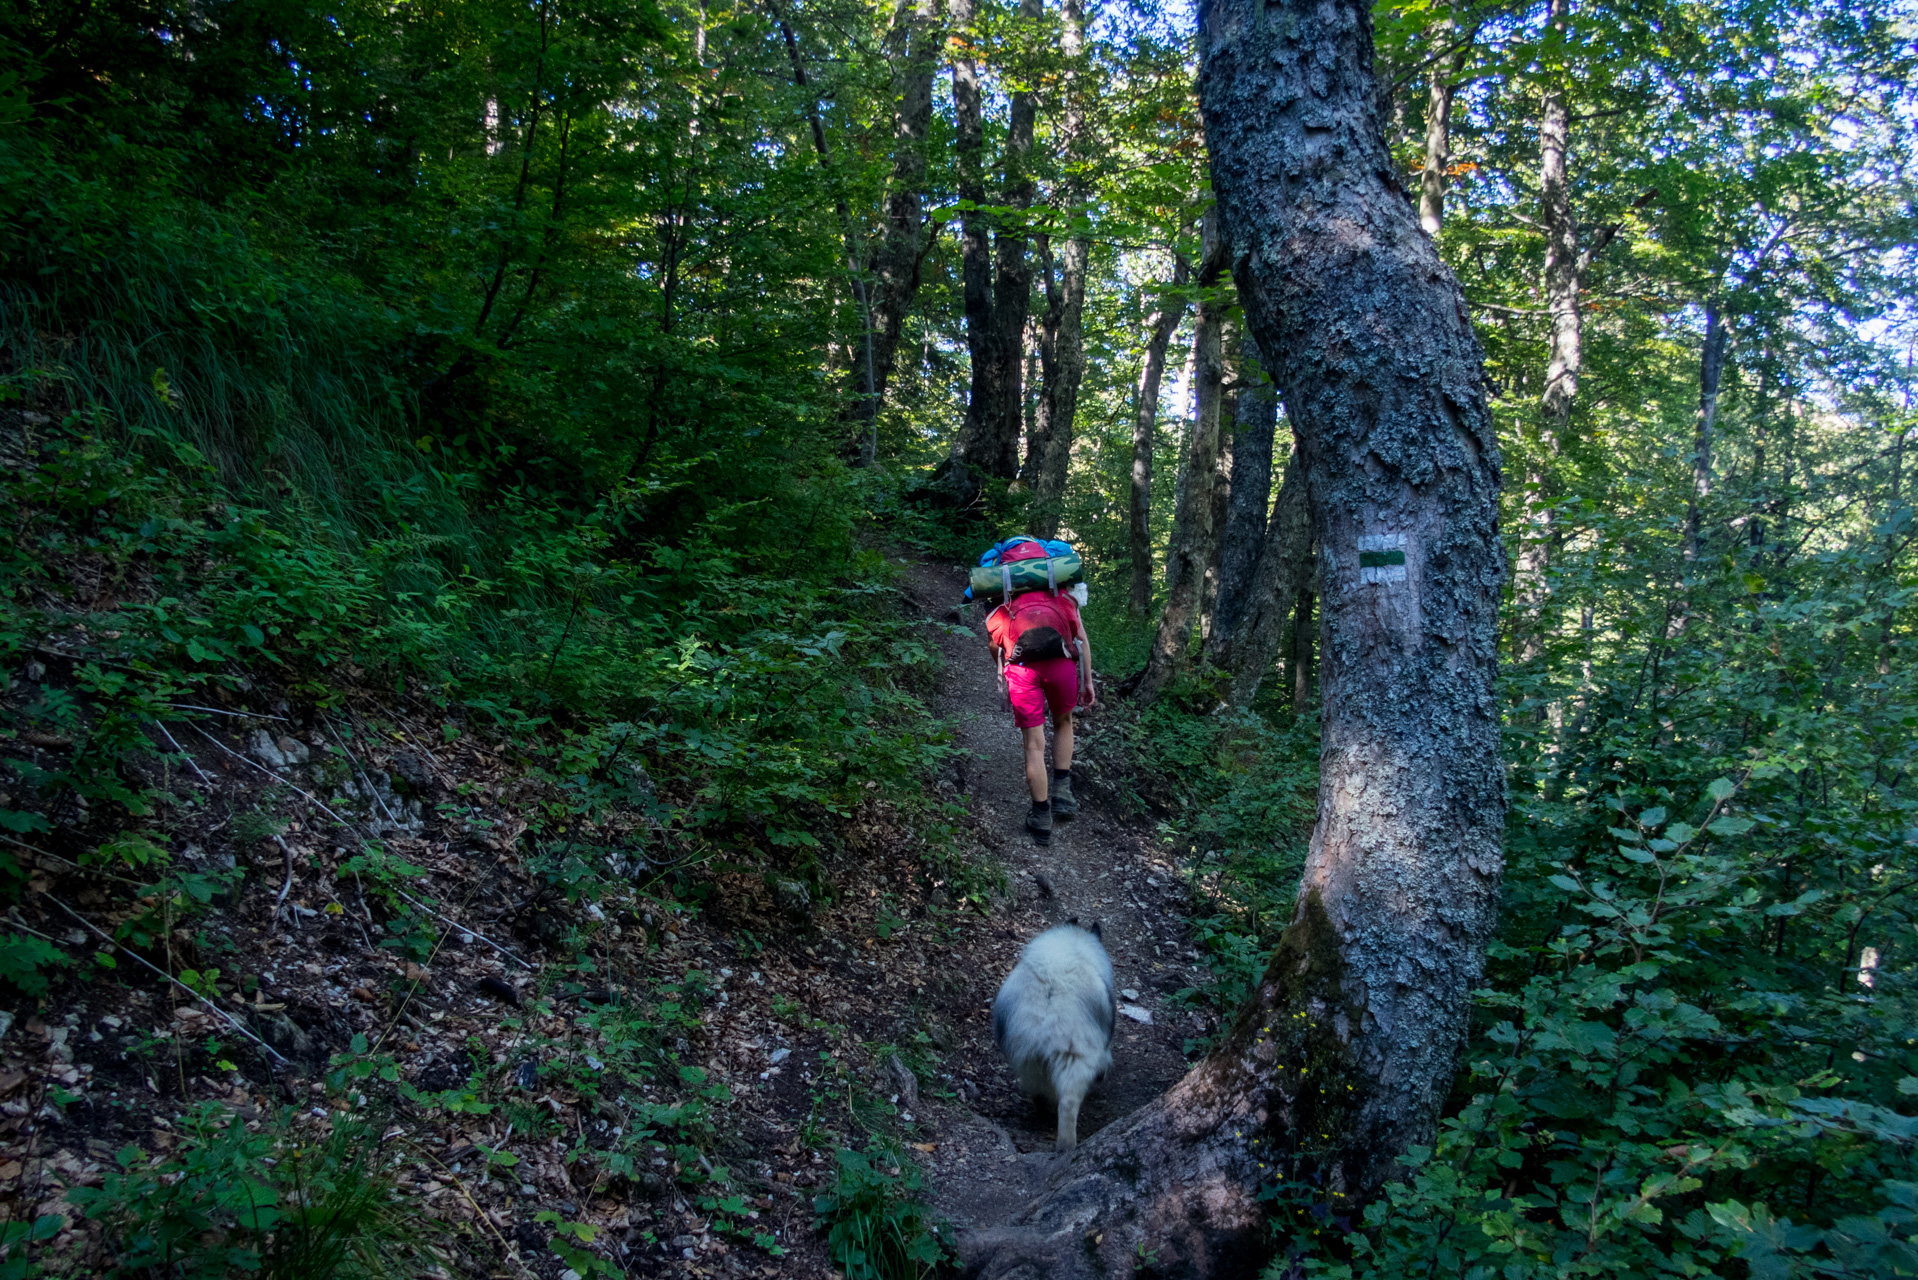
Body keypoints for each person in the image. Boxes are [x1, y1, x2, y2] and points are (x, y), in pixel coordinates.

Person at [984, 570, 1097, 841]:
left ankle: (1041, 817)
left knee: (1034, 744)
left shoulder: (1004, 601)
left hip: (1022, 672)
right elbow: (1081, 640)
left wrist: (1004, 671)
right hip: (1062, 668)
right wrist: (1088, 681)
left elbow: (994, 646)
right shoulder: (1060, 597)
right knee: (1063, 722)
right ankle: (1062, 791)